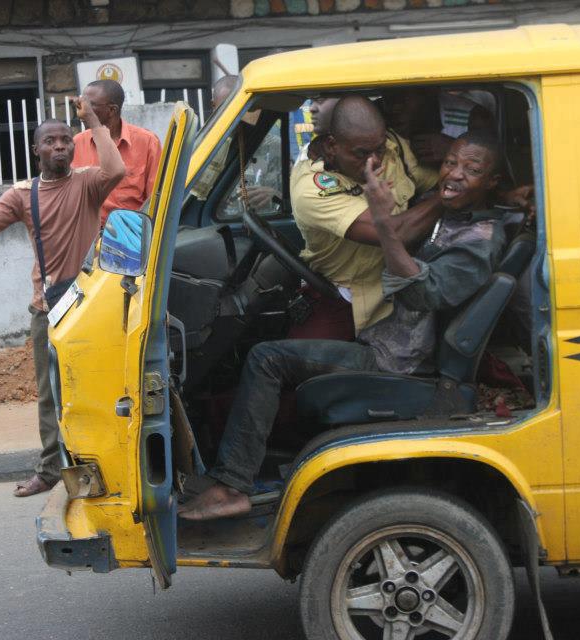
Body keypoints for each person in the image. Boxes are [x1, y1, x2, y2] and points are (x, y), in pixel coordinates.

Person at [179, 131, 506, 520]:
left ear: (492, 182)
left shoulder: (479, 238)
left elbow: (423, 293)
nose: (454, 174)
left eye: (471, 170)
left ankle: (232, 485)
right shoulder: (453, 217)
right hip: (387, 342)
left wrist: (385, 224)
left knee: (267, 359)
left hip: (399, 363)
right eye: (450, 163)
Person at [0, 99, 125, 497]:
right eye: (51, 141)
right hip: (48, 309)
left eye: (66, 139)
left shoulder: (88, 182)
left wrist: (93, 121)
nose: (60, 146)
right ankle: (49, 471)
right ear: (36, 150)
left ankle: (102, 466)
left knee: (96, 387)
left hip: (91, 307)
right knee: (51, 394)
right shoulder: (22, 194)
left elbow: (117, 170)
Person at [289, 95, 440, 338]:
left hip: (404, 288)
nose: (375, 160)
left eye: (379, 149)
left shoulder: (392, 148)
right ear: (331, 146)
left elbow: (436, 178)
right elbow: (394, 233)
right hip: (347, 297)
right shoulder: (313, 189)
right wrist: (447, 198)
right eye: (361, 153)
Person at [72, 79, 160, 225]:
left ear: (112, 110)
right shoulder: (77, 143)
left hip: (131, 234)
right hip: (88, 234)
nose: (82, 109)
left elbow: (156, 199)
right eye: (82, 102)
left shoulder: (148, 142)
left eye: (90, 105)